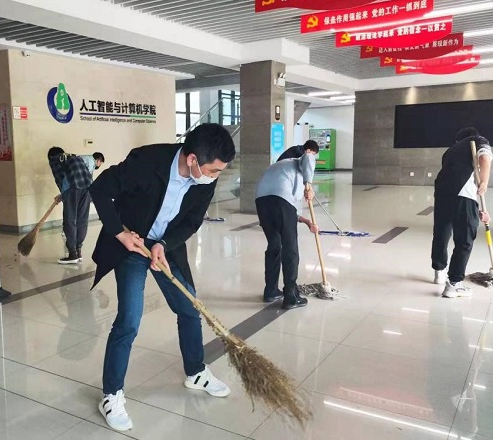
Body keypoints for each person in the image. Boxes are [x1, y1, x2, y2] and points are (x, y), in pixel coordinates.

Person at [88, 123, 236, 431]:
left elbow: (192, 221)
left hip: (166, 247)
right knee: (129, 320)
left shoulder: (205, 180)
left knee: (189, 308)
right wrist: (119, 233)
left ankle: (195, 371)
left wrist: (164, 244)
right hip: (132, 244)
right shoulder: (146, 161)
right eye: (213, 170)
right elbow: (100, 189)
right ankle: (111, 395)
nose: (215, 176)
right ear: (193, 159)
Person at [431, 127, 492, 298]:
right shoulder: (479, 140)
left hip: (441, 193)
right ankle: (454, 284)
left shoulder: (450, 151)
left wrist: (476, 211)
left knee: (441, 232)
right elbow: (484, 158)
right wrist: (484, 182)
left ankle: (439, 271)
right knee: (465, 240)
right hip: (463, 194)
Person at [255, 149, 320, 309]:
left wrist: (307, 221)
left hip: (261, 201)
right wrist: (309, 185)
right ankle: (291, 295)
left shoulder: (282, 168)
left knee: (274, 245)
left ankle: (270, 291)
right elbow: (309, 156)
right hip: (280, 200)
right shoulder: (300, 162)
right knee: (290, 246)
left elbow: (290, 210)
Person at [48, 147, 105, 264]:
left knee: (69, 220)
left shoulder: (54, 159)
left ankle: (72, 254)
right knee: (82, 220)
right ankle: (78, 251)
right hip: (87, 188)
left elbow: (59, 178)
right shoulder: (74, 156)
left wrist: (63, 195)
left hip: (72, 189)